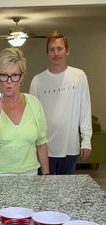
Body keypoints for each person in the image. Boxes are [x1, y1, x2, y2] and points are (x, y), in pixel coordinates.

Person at [0, 47, 49, 176]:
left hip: (30, 178)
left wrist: (47, 176)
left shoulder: (34, 103)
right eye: (4, 75)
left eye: (14, 75)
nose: (8, 82)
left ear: (22, 76)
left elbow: (41, 145)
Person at [29, 31, 92, 175]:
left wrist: (86, 140)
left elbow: (85, 109)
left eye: (59, 49)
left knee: (66, 192)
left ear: (67, 51)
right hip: (43, 146)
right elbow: (31, 115)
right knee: (45, 190)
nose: (56, 53)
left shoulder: (79, 76)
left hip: (70, 146)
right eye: (52, 50)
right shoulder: (37, 81)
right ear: (47, 53)